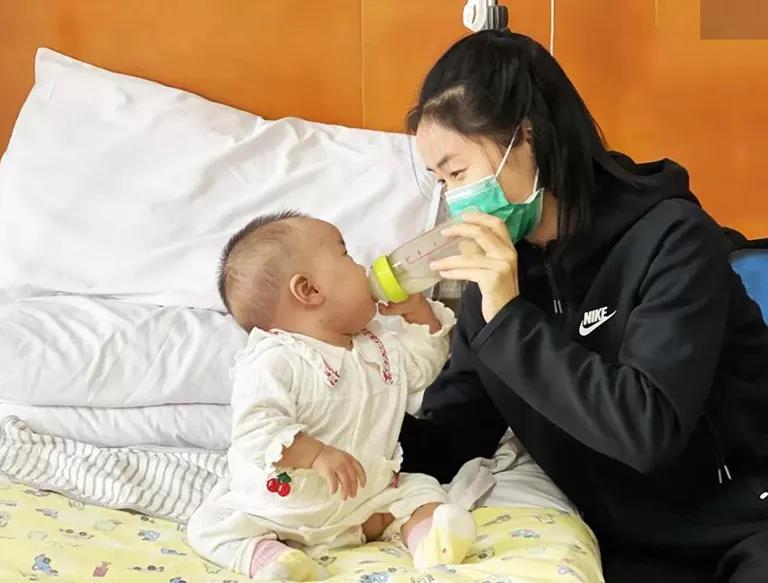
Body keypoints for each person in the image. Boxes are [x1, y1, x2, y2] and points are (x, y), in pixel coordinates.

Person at [394, 30, 768, 583]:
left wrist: (510, 320)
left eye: (458, 173)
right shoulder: (496, 283)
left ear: (528, 137)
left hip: (747, 527)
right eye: (441, 182)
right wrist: (351, 409)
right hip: (622, 550)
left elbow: (648, 431)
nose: (454, 199)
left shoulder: (674, 239)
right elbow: (456, 438)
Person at [187, 212, 476, 581]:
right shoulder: (274, 360)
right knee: (209, 525)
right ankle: (273, 559)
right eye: (346, 255)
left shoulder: (377, 346)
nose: (362, 265)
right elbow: (256, 429)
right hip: (282, 511)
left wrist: (420, 314)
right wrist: (315, 454)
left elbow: (422, 367)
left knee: (420, 491)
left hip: (364, 501)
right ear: (309, 290)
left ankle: (431, 542)